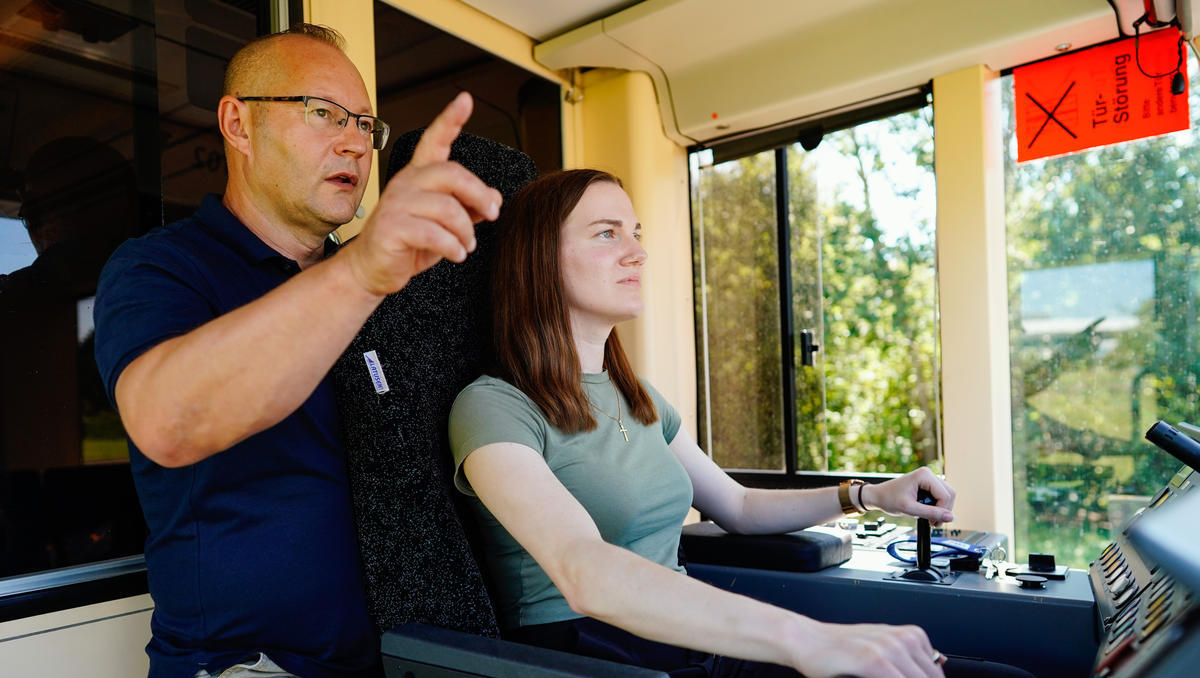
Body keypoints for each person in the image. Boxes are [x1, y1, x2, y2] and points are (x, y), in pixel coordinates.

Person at [449, 169, 1033, 678]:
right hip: (593, 653)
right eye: (607, 234)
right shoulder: (495, 406)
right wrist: (810, 639)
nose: (637, 252)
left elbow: (739, 507)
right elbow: (584, 571)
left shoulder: (639, 396)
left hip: (688, 637)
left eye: (637, 234)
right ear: (538, 259)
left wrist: (869, 494)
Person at [93, 23, 501, 678]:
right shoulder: (163, 268)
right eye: (323, 114)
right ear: (238, 124)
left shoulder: (375, 281)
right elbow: (168, 422)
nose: (355, 144)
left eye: (366, 125)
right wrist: (364, 271)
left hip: (398, 662)